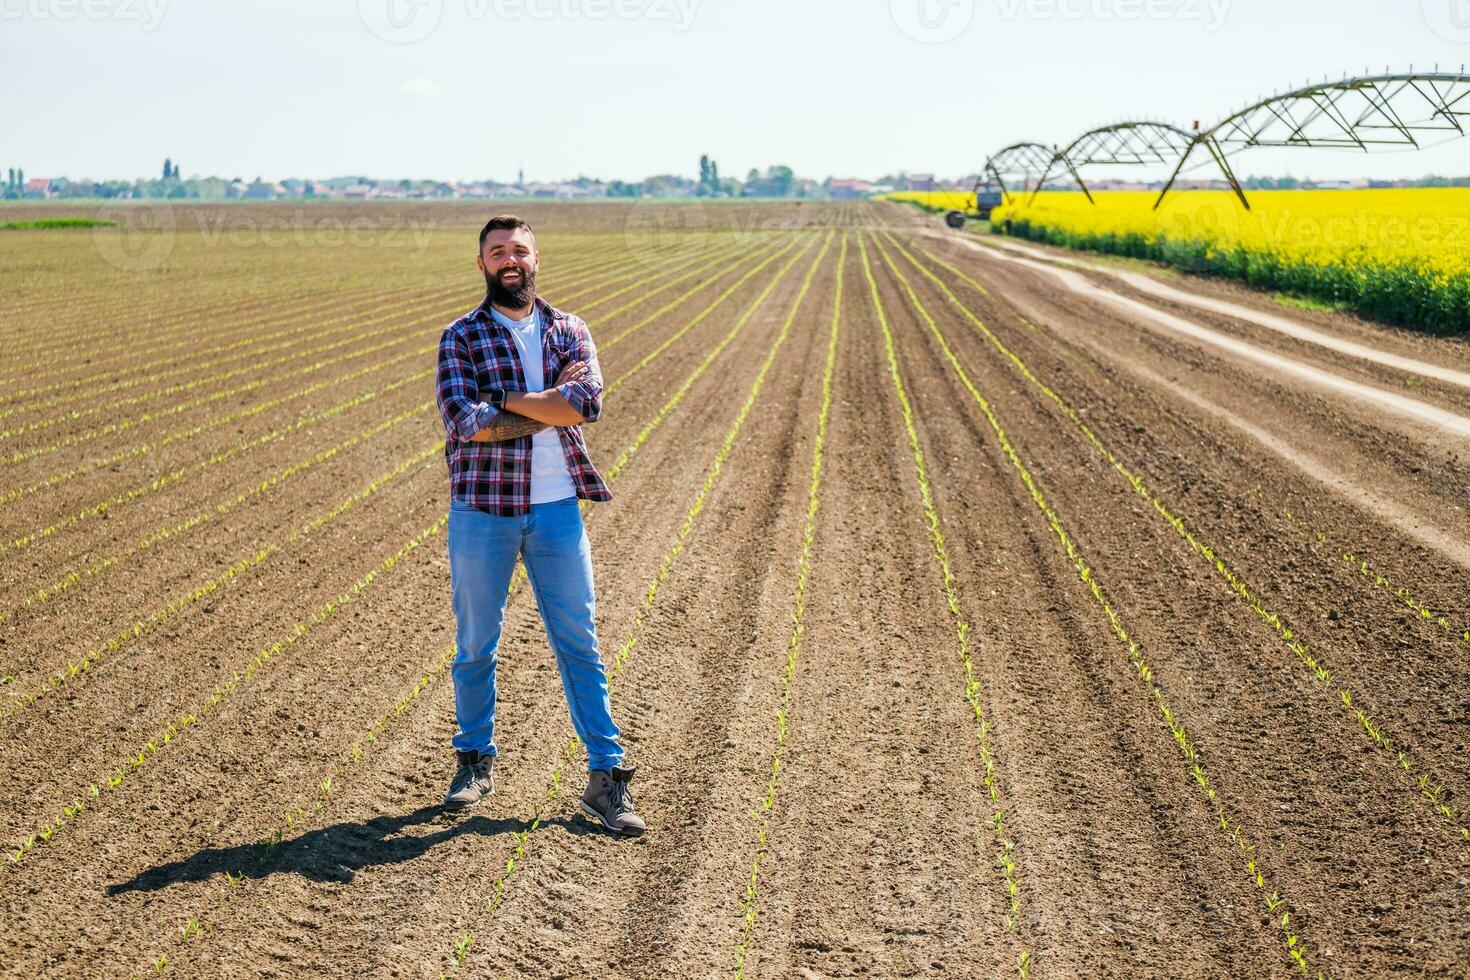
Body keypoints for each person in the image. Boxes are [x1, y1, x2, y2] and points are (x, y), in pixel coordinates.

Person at [433, 214, 644, 835]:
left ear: (535, 258)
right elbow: (467, 422)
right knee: (477, 644)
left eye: (519, 250)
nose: (509, 260)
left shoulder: (568, 329)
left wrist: (503, 399)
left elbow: (585, 404)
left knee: (580, 643)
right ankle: (474, 759)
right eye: (497, 251)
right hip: (482, 510)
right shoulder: (461, 337)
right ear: (481, 263)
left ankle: (606, 778)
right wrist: (546, 408)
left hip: (556, 511)